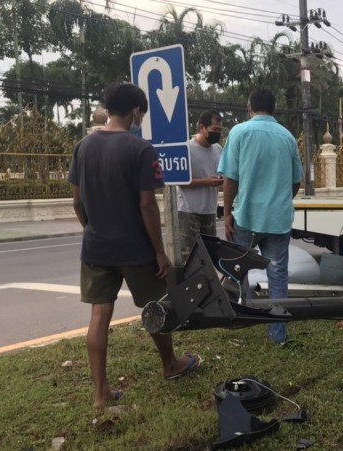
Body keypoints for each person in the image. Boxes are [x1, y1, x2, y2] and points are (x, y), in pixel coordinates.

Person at [69, 83, 201, 410]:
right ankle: (170, 364)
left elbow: (77, 201)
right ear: (136, 112)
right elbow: (147, 206)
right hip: (135, 248)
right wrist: (159, 251)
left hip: (96, 248)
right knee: (155, 306)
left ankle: (100, 394)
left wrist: (93, 229)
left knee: (99, 315)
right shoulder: (140, 149)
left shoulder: (83, 146)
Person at [217, 88, 303, 344]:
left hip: (246, 216)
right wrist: (280, 200)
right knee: (277, 275)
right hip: (277, 219)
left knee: (236, 272)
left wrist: (228, 211)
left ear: (249, 107)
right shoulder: (287, 136)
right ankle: (278, 335)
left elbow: (230, 178)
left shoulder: (239, 132)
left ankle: (237, 326)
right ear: (274, 108)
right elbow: (296, 182)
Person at [177, 110, 224, 263]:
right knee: (187, 258)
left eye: (219, 130)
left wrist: (221, 180)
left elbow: (221, 173)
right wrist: (205, 182)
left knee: (209, 258)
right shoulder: (187, 149)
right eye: (214, 130)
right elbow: (180, 180)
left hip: (210, 211)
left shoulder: (218, 149)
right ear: (202, 127)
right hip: (187, 212)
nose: (217, 134)